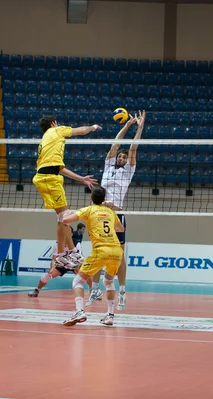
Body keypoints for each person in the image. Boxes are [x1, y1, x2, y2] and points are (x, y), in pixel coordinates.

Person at [87, 111, 145, 310]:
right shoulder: (108, 165)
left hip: (116, 214)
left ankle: (122, 292)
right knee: (97, 253)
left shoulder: (129, 170)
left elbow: (133, 147)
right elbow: (115, 143)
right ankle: (94, 289)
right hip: (99, 213)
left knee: (119, 256)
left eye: (123, 156)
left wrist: (139, 128)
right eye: (119, 155)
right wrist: (128, 125)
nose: (121, 157)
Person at [32, 115, 100, 269]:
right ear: (53, 123)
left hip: (44, 177)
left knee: (62, 217)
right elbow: (80, 131)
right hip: (50, 179)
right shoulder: (56, 131)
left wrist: (81, 179)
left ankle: (66, 253)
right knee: (66, 217)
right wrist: (93, 127)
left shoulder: (46, 140)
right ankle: (66, 254)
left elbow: (59, 168)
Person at [61, 187, 124, 327]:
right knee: (108, 281)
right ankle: (110, 316)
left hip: (101, 251)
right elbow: (121, 229)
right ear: (104, 198)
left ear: (91, 198)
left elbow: (65, 220)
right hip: (116, 251)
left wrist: (68, 212)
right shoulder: (110, 211)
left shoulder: (88, 210)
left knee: (78, 282)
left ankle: (80, 311)